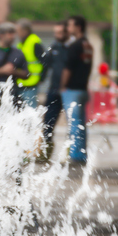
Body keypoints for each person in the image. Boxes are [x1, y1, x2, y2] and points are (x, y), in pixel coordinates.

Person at [61, 15, 93, 165]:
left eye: (70, 25)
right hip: (83, 89)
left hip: (72, 90)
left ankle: (75, 156)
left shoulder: (75, 46)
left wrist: (62, 85)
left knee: (74, 125)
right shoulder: (87, 45)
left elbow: (68, 68)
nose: (68, 28)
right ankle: (81, 154)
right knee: (80, 124)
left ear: (78, 27)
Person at [41, 20, 69, 162]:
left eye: (60, 32)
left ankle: (69, 154)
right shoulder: (53, 48)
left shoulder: (71, 48)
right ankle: (45, 153)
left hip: (68, 91)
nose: (57, 35)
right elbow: (45, 66)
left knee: (72, 125)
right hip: (54, 90)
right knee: (48, 123)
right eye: (55, 33)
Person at [16, 19, 46, 109]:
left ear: (25, 30)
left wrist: (42, 78)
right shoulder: (21, 44)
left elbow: (44, 61)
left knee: (30, 109)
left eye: (19, 31)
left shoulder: (34, 42)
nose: (17, 33)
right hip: (21, 81)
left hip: (32, 81)